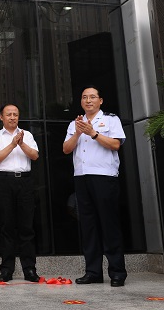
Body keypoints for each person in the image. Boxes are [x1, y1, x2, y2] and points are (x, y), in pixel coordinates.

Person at [63, 86, 127, 287]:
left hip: (104, 177)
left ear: (100, 100)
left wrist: (93, 133)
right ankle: (93, 272)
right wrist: (78, 132)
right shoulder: (76, 123)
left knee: (109, 224)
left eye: (92, 97)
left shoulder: (110, 120)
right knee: (88, 226)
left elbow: (116, 145)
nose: (88, 100)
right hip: (82, 177)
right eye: (84, 97)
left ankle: (117, 272)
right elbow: (66, 149)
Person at [0, 104, 40, 283]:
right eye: (9, 114)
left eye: (15, 114)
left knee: (27, 227)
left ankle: (30, 269)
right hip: (3, 182)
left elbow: (34, 156)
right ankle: (7, 270)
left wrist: (22, 143)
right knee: (7, 226)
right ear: (1, 117)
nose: (12, 117)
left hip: (25, 181)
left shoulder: (28, 135)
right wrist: (12, 144)